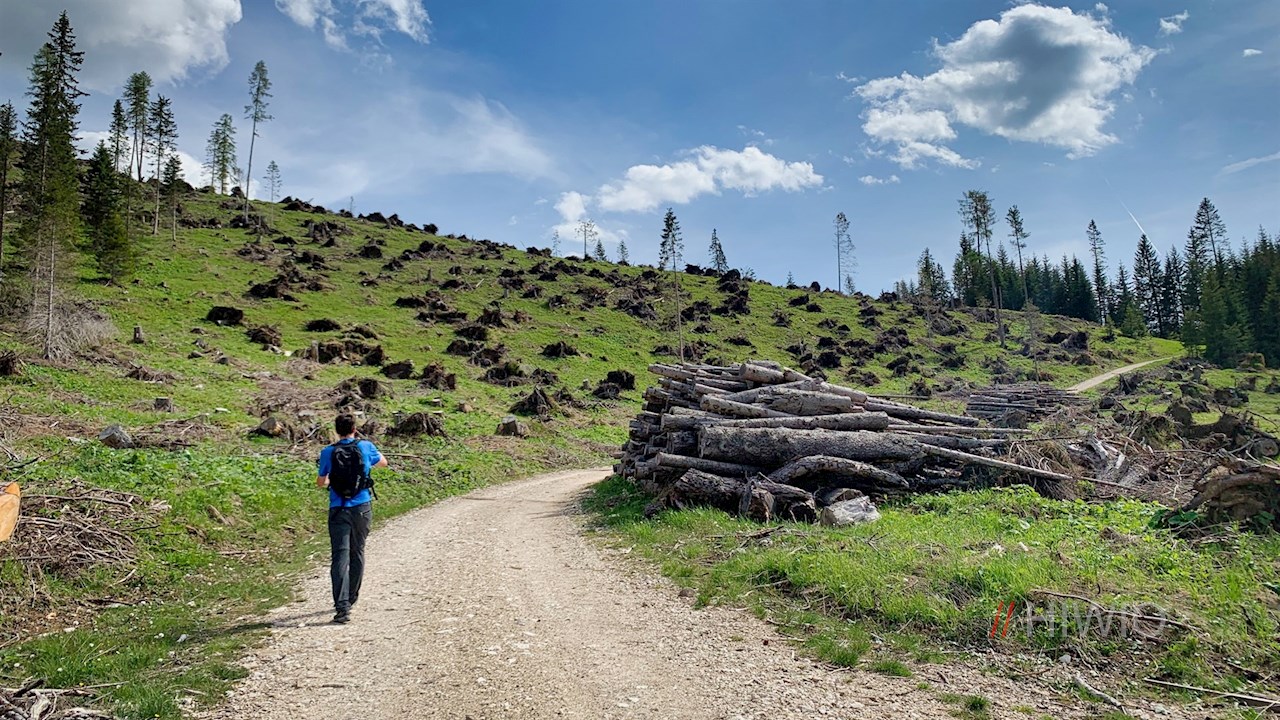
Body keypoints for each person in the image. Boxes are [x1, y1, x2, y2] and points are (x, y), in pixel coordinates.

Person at [316, 414, 388, 624]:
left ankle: (342, 608)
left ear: (336, 431)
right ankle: (351, 597)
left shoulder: (328, 452)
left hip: (338, 508)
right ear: (354, 429)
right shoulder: (365, 446)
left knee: (339, 556)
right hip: (361, 507)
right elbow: (383, 463)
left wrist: (332, 480)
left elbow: (321, 482)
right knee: (357, 552)